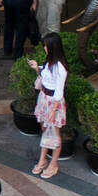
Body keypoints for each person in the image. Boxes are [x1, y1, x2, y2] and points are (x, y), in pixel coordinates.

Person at [30, 32, 69, 179]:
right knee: (45, 130)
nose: (44, 48)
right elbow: (46, 77)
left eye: (46, 46)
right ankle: (43, 159)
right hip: (45, 98)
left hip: (53, 102)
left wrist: (53, 111)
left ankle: (53, 163)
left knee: (55, 134)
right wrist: (37, 67)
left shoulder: (60, 68)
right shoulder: (49, 62)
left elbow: (59, 91)